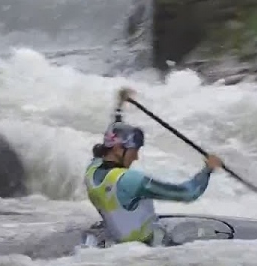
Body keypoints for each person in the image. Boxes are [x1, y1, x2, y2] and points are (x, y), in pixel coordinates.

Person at [83, 87, 224, 247]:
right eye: (134, 151)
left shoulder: (92, 170)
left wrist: (119, 108)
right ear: (118, 149)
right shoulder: (130, 181)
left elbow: (112, 135)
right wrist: (208, 169)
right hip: (148, 247)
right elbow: (187, 193)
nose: (136, 157)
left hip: (119, 245)